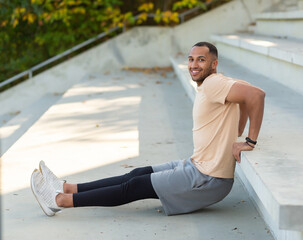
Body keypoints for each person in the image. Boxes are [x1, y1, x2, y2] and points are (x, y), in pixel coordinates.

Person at [30, 41, 265, 217]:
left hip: (208, 179)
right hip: (196, 165)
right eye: (191, 59)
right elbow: (247, 94)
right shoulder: (218, 82)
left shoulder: (214, 83)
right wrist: (238, 128)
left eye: (201, 60)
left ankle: (59, 200)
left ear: (213, 64)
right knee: (136, 174)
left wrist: (249, 141)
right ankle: (68, 187)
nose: (194, 65)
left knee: (134, 187)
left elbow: (256, 95)